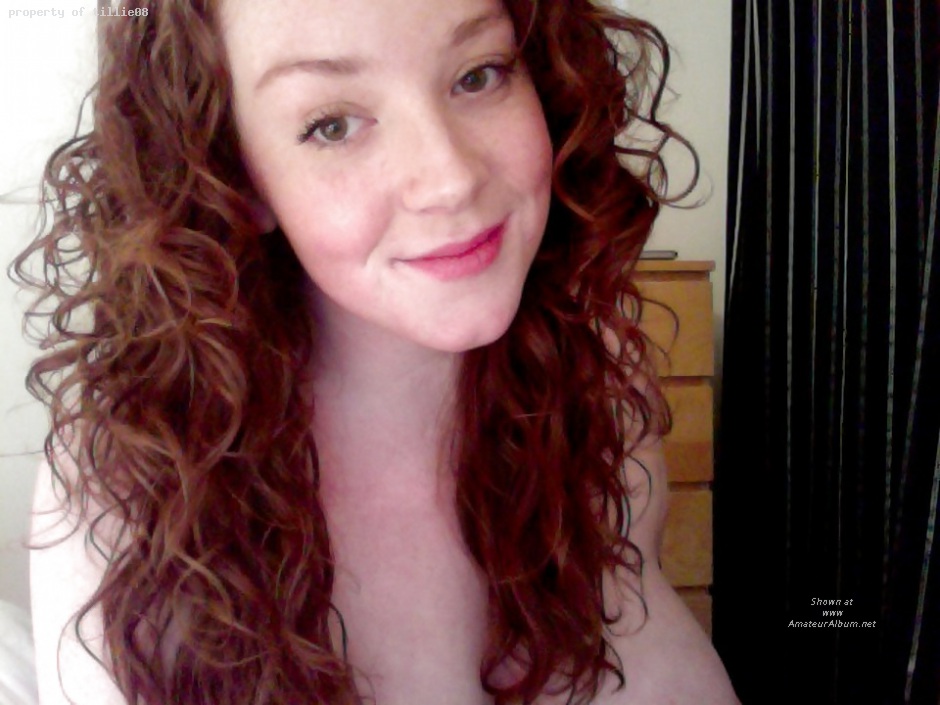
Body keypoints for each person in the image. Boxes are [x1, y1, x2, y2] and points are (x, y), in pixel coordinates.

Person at [15, 0, 740, 703]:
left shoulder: (595, 382)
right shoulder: (125, 480)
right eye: (332, 125)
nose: (450, 177)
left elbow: (637, 660)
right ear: (234, 178)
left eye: (479, 74)